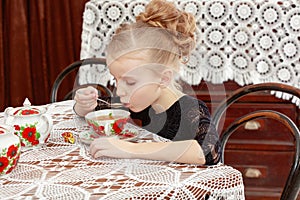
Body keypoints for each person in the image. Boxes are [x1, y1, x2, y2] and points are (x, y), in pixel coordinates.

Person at [74, 0, 220, 165]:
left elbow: (208, 152)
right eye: (116, 79)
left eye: (130, 82)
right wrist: (83, 104)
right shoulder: (136, 101)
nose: (120, 91)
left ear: (163, 79)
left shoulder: (190, 109)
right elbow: (96, 108)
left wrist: (129, 149)